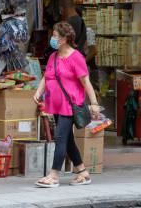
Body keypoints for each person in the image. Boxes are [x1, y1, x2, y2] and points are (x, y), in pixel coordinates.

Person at [33, 21, 99, 188]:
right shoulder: (53, 57)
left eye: (55, 36)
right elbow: (46, 77)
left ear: (64, 39)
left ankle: (54, 176)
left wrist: (94, 103)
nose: (52, 39)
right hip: (54, 104)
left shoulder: (76, 57)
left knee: (60, 138)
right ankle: (83, 173)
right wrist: (38, 92)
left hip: (69, 105)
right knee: (68, 141)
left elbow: (86, 82)